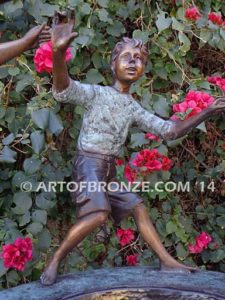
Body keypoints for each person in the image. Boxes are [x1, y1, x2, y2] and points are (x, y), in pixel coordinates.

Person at [40, 10, 225, 286]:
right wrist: (57, 54)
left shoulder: (134, 109)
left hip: (108, 170)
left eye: (139, 59)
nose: (133, 62)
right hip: (88, 164)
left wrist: (206, 112)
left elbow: (170, 130)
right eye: (127, 57)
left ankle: (166, 260)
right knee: (99, 213)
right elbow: (63, 89)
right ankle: (55, 259)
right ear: (113, 63)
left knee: (138, 207)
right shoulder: (97, 94)